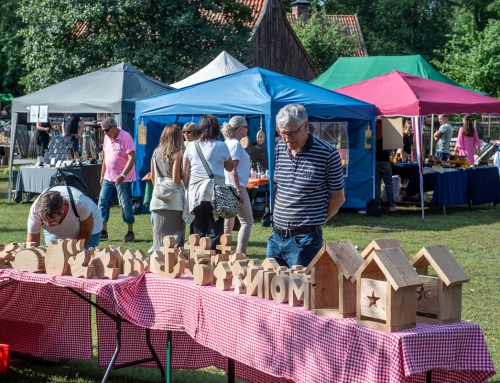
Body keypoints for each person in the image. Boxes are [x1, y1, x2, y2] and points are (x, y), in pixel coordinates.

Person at [266, 104, 345, 268]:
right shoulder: (280, 147)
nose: (287, 139)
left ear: (306, 126)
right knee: (269, 291)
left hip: (305, 241)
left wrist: (315, 224)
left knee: (300, 291)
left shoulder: (328, 154)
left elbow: (338, 199)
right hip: (275, 237)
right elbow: (278, 186)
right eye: (283, 133)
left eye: (292, 133)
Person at [182, 115, 233, 251]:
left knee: (197, 230)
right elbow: (230, 167)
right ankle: (212, 265)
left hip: (195, 193)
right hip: (214, 192)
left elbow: (185, 171)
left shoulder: (191, 146)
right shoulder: (221, 146)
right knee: (214, 231)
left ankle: (196, 264)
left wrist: (188, 189)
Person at [98, 117, 136, 242]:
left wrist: (123, 175)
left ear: (114, 126)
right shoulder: (106, 138)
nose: (105, 133)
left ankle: (130, 232)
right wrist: (102, 174)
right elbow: (105, 157)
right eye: (103, 130)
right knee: (103, 203)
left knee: (125, 205)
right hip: (109, 177)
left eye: (107, 130)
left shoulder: (126, 137)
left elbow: (132, 159)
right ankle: (103, 231)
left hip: (123, 179)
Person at [26, 186, 102, 249]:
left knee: (81, 260)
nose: (48, 225)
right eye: (45, 221)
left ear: (63, 209)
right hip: (57, 232)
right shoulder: (35, 211)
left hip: (89, 229)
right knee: (54, 259)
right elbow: (32, 244)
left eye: (53, 221)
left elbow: (86, 232)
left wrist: (72, 252)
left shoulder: (79, 203)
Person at [150, 124, 186, 250]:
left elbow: (153, 177)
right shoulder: (177, 154)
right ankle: (174, 264)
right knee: (176, 234)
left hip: (158, 195)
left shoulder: (155, 152)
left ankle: (158, 262)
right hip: (174, 198)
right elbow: (175, 178)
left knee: (159, 234)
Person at [221, 116, 253, 254]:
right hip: (234, 186)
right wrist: (239, 190)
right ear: (240, 129)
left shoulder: (226, 142)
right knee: (247, 222)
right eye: (246, 127)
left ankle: (224, 256)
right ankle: (240, 255)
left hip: (226, 186)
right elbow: (232, 170)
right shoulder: (235, 144)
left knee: (228, 227)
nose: (248, 129)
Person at [374, 119, 398, 212]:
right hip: (385, 161)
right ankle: (391, 205)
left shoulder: (373, 136)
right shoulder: (387, 136)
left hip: (375, 161)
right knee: (388, 184)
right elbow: (392, 148)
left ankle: (377, 204)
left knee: (377, 184)